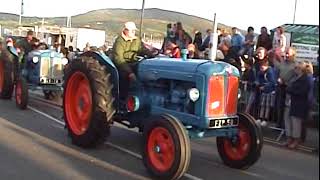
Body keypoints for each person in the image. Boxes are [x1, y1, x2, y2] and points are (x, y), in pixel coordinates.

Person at [112, 21, 154, 100]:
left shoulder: (136, 40)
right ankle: (122, 100)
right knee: (124, 76)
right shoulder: (119, 41)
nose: (134, 32)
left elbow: (142, 49)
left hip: (133, 62)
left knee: (144, 70)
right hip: (121, 64)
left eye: (134, 31)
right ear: (125, 30)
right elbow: (119, 59)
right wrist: (130, 73)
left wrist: (152, 55)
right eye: (132, 31)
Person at [285, 62, 310, 149]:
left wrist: (291, 90)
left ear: (301, 70)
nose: (295, 69)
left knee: (296, 122)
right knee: (288, 120)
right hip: (289, 102)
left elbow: (302, 92)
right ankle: (289, 138)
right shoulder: (294, 78)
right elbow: (288, 86)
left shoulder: (305, 79)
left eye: (297, 68)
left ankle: (296, 139)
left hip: (298, 103)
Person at [256, 60, 276, 126]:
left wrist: (264, 86)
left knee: (267, 106)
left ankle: (265, 119)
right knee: (262, 105)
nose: (261, 69)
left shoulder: (270, 72)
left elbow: (272, 82)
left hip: (269, 92)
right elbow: (258, 79)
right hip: (263, 91)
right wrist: (258, 83)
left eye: (262, 68)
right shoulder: (260, 72)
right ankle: (260, 118)